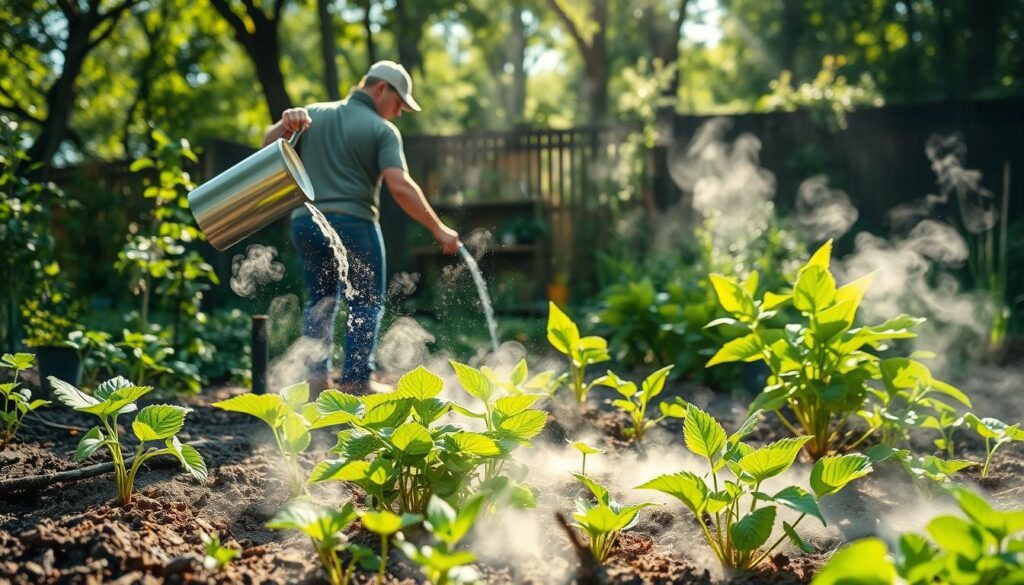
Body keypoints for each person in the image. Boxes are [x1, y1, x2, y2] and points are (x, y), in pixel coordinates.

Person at [262, 60, 461, 394]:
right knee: (366, 302)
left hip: (306, 224)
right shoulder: (382, 130)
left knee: (320, 300)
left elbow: (268, 143)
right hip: (354, 223)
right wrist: (439, 229)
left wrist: (284, 123)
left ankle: (316, 382)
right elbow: (399, 185)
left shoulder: (311, 114)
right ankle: (355, 381)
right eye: (399, 104)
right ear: (381, 89)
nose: (398, 113)